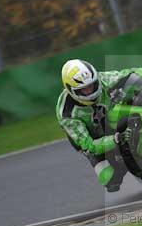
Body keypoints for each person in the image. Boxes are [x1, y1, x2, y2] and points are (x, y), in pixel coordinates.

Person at [56, 59, 133, 192]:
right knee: (110, 180)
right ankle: (114, 162)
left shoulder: (102, 79)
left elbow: (130, 75)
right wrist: (116, 139)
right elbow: (89, 145)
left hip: (113, 120)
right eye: (83, 90)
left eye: (91, 86)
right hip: (92, 138)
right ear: (70, 90)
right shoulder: (66, 113)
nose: (89, 91)